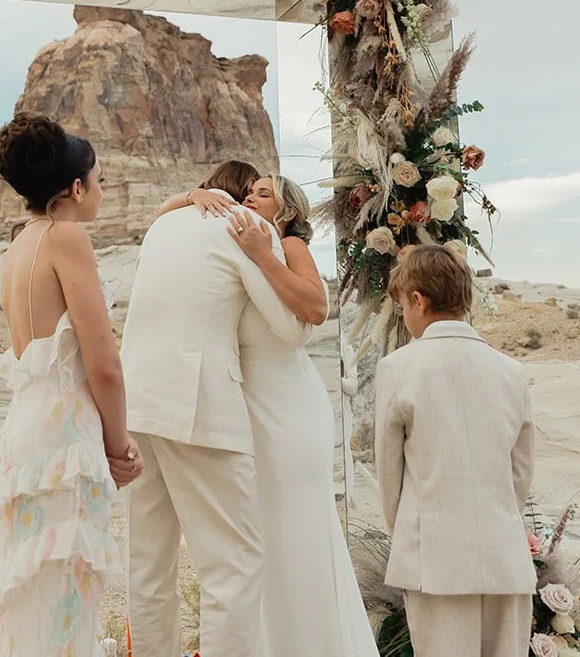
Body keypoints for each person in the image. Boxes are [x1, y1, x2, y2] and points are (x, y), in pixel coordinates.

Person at [121, 161, 314, 657]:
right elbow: (293, 329)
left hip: (137, 402)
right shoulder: (245, 226)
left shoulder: (164, 224)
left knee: (147, 566)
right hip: (199, 407)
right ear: (242, 193)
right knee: (233, 566)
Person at [0, 114, 142, 657]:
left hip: (23, 433)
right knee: (65, 604)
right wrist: (119, 447)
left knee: (30, 597)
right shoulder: (68, 238)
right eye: (98, 180)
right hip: (66, 439)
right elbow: (104, 362)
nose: (102, 190)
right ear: (75, 189)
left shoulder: (19, 246)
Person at [224, 175, 379, 657]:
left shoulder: (288, 244)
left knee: (295, 530)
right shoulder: (243, 244)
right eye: (247, 191)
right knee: (263, 533)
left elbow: (315, 307)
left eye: (263, 193)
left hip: (289, 408)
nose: (250, 197)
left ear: (287, 211)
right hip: (252, 405)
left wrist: (262, 254)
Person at [373, 244, 536, 657]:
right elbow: (520, 474)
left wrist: (410, 533)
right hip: (504, 556)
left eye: (403, 308)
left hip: (435, 558)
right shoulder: (511, 372)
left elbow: (389, 475)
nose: (404, 318)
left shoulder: (398, 369)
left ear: (418, 299)